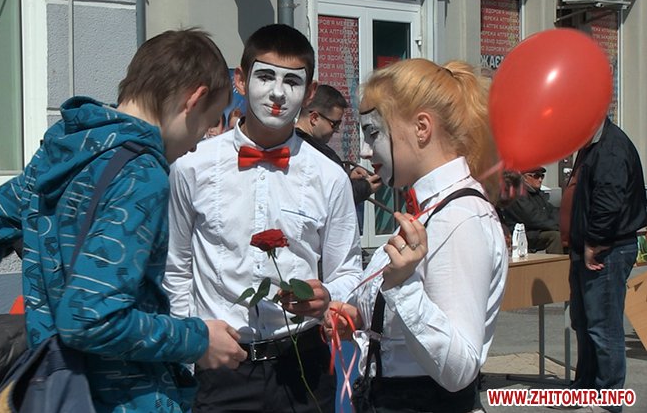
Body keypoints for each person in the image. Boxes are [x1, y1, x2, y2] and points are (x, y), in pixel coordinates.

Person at [0, 29, 247, 413]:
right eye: (208, 122)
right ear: (194, 99)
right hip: (120, 399)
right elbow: (88, 317)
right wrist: (198, 339)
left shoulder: (60, 157)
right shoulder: (141, 174)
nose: (199, 141)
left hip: (48, 392)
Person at [164, 24, 362, 412]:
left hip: (303, 365)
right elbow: (176, 269)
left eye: (292, 81)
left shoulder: (330, 177)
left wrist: (327, 296)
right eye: (266, 76)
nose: (277, 93)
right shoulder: (192, 167)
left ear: (309, 92)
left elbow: (348, 271)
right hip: (221, 365)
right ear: (241, 80)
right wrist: (193, 344)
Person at [325, 59, 508, 412]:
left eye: (373, 133)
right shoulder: (434, 208)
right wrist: (362, 318)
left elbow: (459, 368)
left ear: (422, 128)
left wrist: (402, 286)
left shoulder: (458, 217)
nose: (365, 150)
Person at [561, 116, 646, 412]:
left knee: (603, 327)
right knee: (584, 322)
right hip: (587, 247)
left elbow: (608, 201)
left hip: (606, 249)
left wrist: (594, 243)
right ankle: (585, 388)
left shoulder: (611, 148)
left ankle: (607, 398)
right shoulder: (593, 145)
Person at [294, 84, 382, 205]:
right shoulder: (305, 152)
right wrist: (365, 187)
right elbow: (331, 196)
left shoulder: (295, 144)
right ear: (314, 118)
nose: (337, 130)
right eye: (334, 124)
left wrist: (347, 176)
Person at [501, 166, 564, 254]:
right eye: (536, 176)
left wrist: (561, 224)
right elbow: (533, 218)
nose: (540, 180)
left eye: (542, 176)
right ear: (525, 177)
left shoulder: (537, 193)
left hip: (536, 230)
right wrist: (557, 226)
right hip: (523, 233)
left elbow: (552, 211)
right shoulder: (518, 195)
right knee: (555, 236)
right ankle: (556, 262)